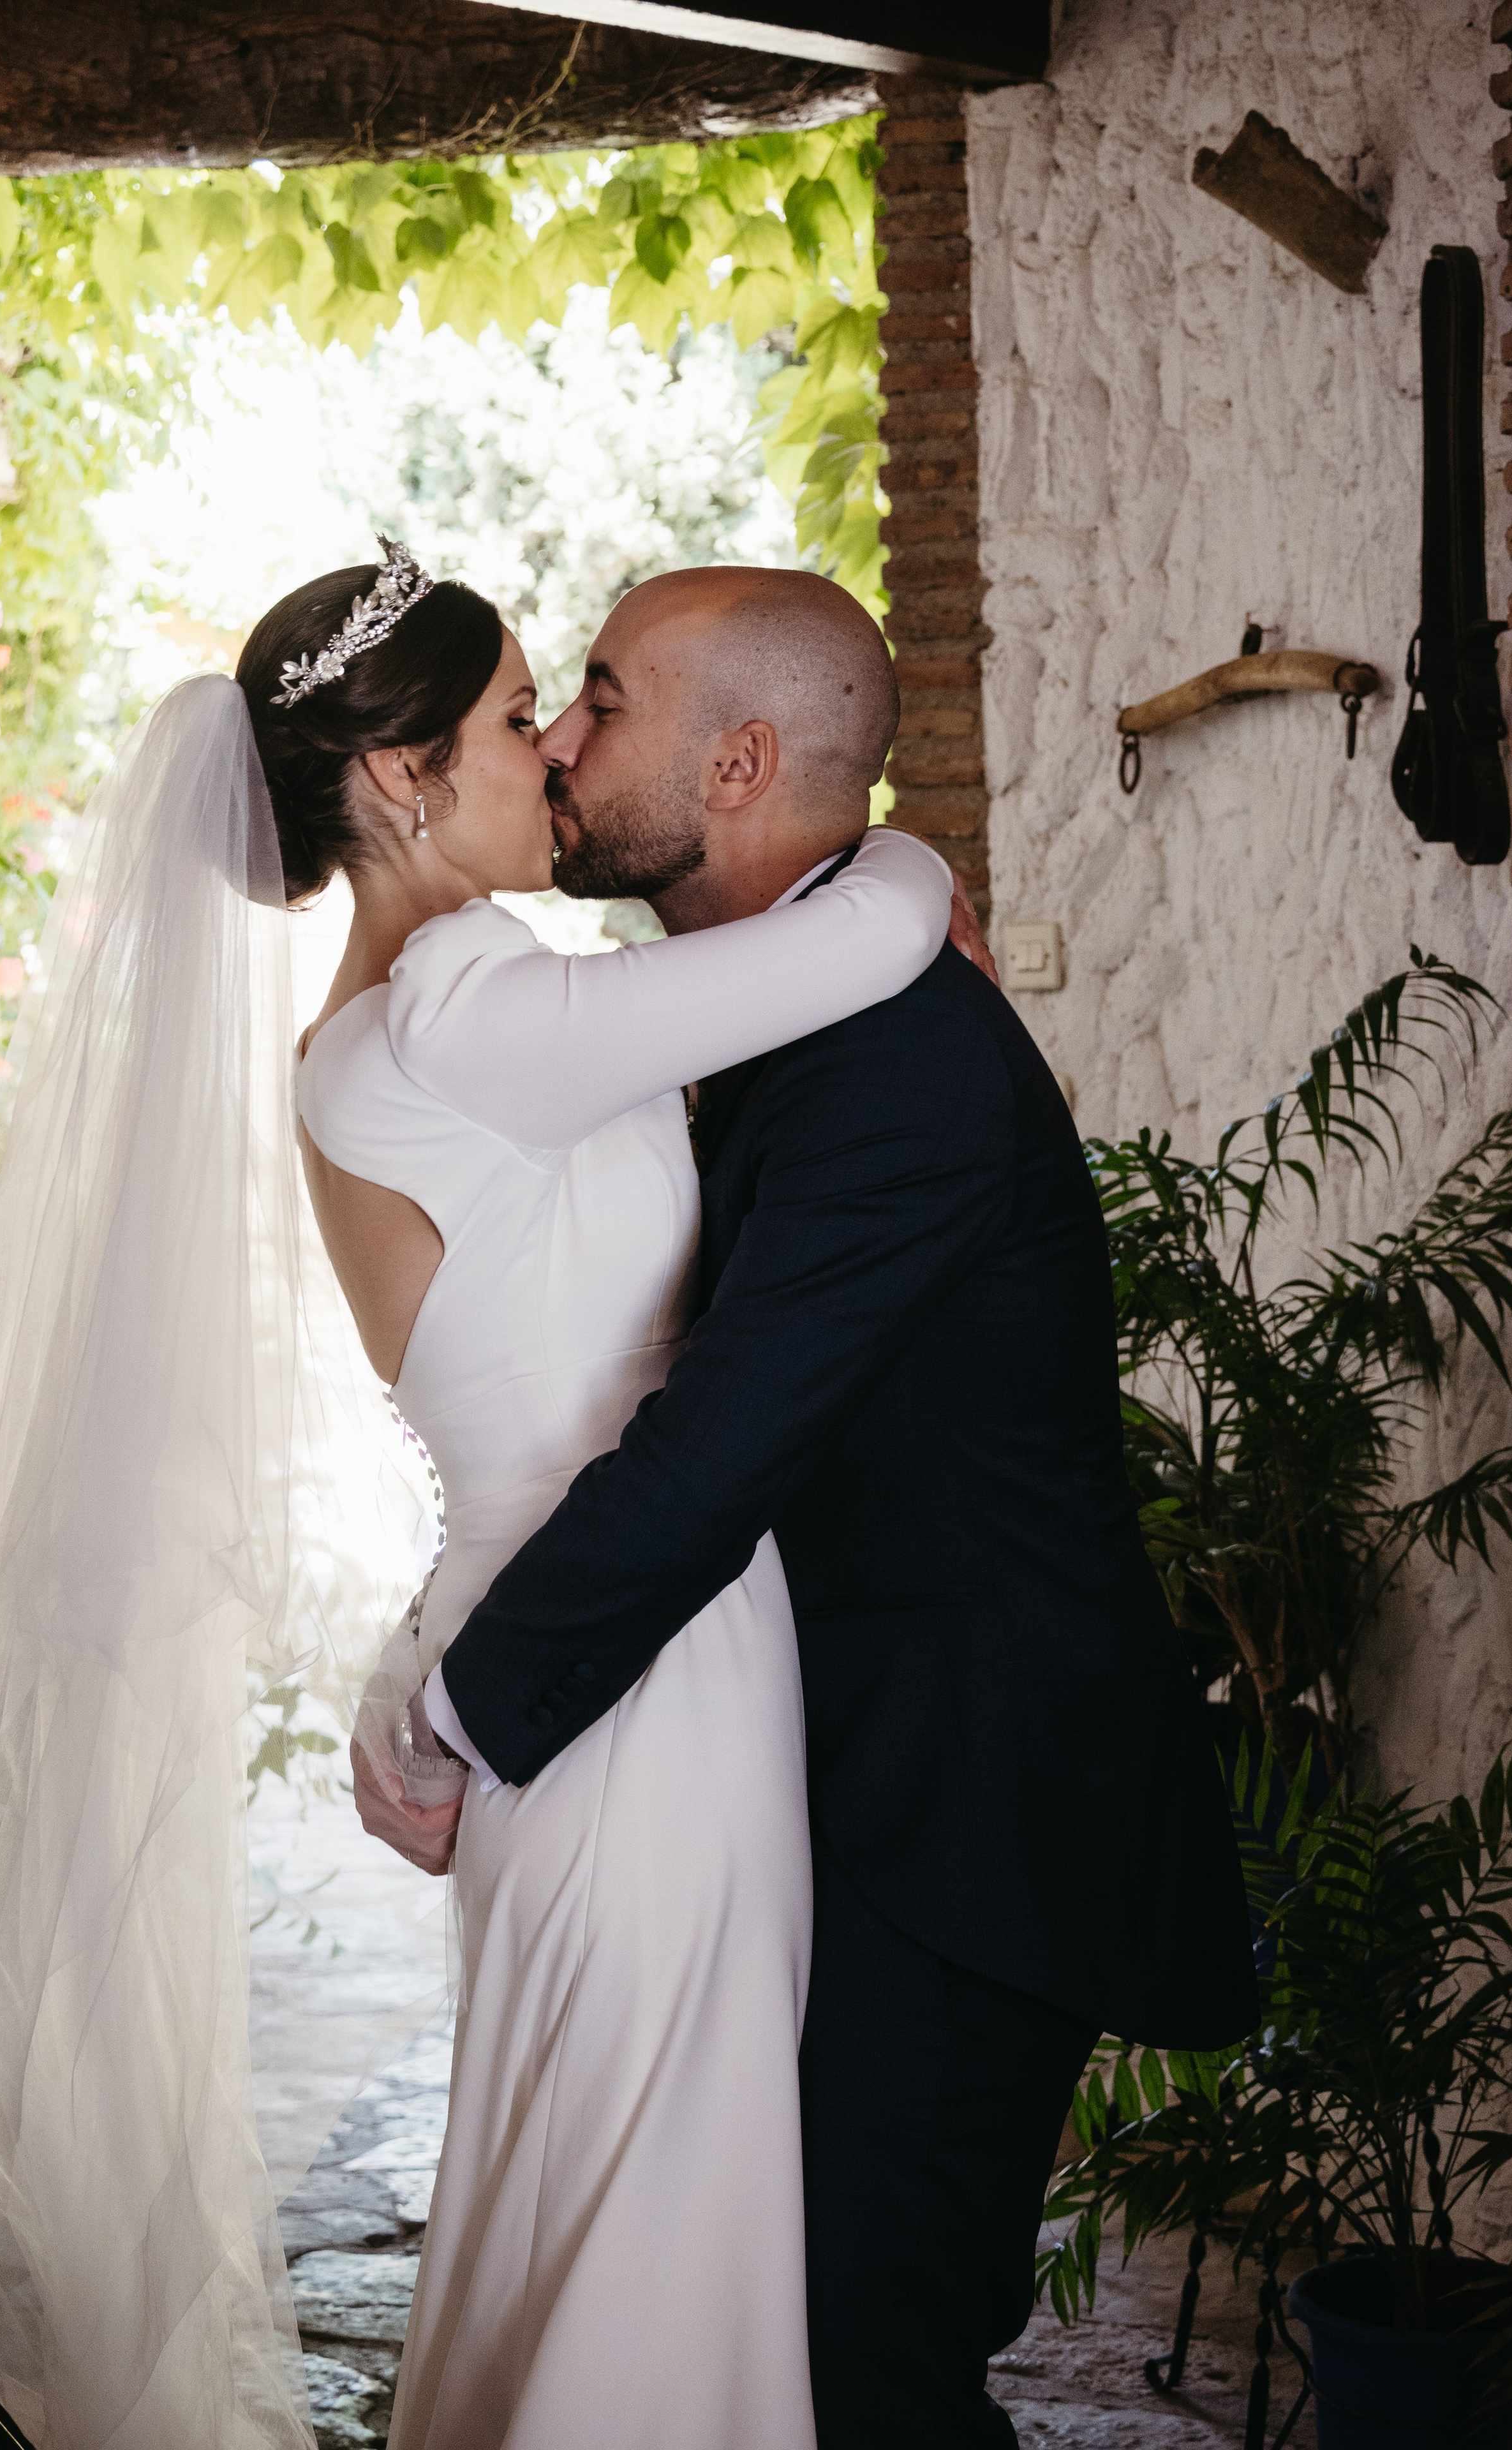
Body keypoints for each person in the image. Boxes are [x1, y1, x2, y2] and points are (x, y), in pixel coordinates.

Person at [0, 539, 969, 2450]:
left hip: (577, 1643)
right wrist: (910, 853)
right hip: (642, 1672)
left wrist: (432, 1661)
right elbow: (868, 940)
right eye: (511, 719)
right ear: (401, 783)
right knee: (650, 2195)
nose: (556, 752)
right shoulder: (467, 1015)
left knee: (602, 2182)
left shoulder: (385, 1034)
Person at [360, 565, 1261, 2449]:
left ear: (745, 761)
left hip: (967, 1820)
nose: (566, 740)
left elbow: (715, 1447)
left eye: (601, 699)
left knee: (866, 2365)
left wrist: (455, 1705)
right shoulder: (774, 1000)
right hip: (818, 1783)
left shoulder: (905, 1062)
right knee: (763, 2339)